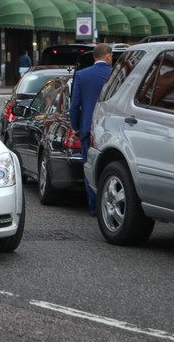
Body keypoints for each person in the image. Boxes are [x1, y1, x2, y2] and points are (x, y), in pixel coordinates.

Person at [69, 43, 113, 216]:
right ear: (108, 56)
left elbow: (74, 106)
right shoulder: (116, 74)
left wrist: (76, 127)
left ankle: (94, 207)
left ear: (95, 57)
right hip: (111, 128)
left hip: (88, 128)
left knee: (90, 166)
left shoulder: (81, 75)